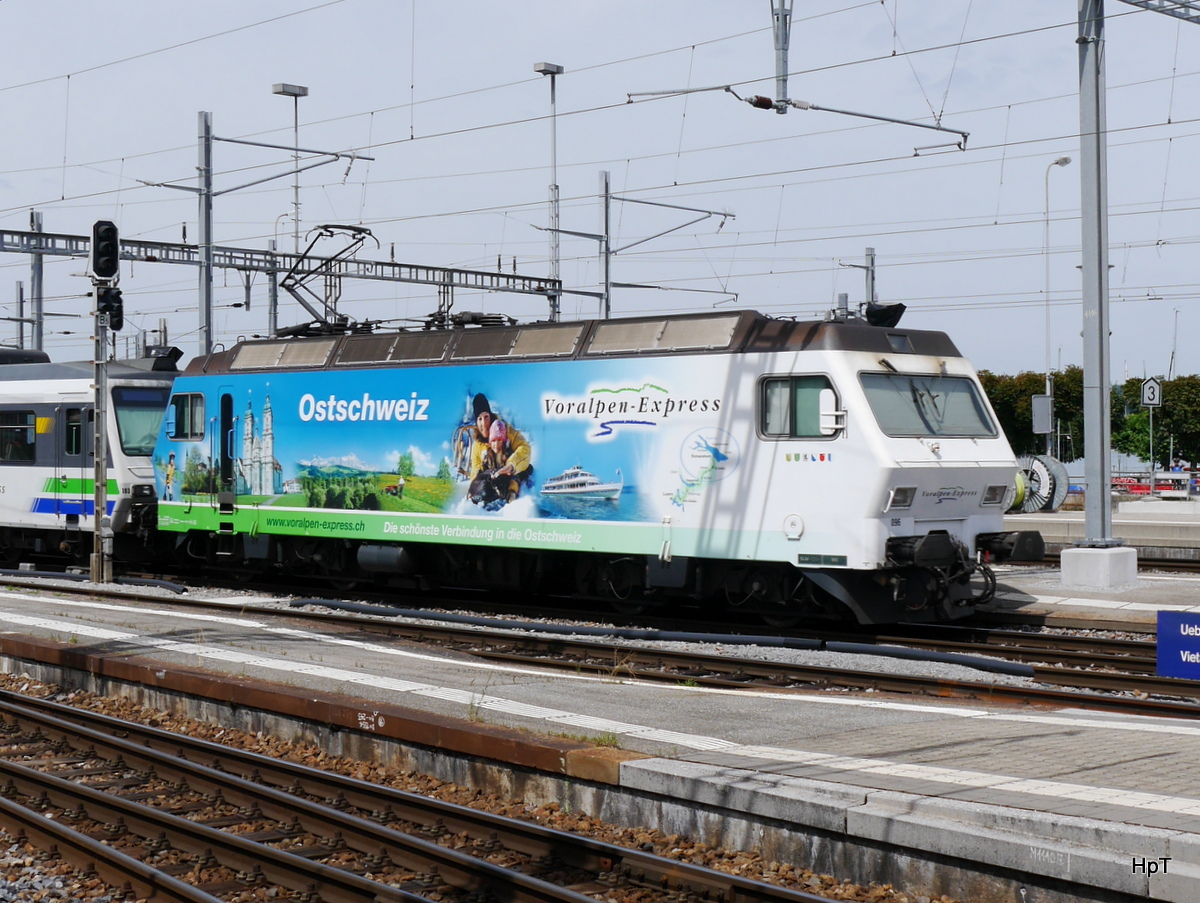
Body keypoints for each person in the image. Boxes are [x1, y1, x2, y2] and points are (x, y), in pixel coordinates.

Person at [468, 417, 533, 508]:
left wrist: (512, 491)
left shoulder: (508, 455)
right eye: (493, 440)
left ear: (503, 441)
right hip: (493, 483)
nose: (496, 444)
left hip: (506, 483)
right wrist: (473, 488)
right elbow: (480, 472)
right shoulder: (487, 456)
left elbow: (516, 476)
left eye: (499, 440)